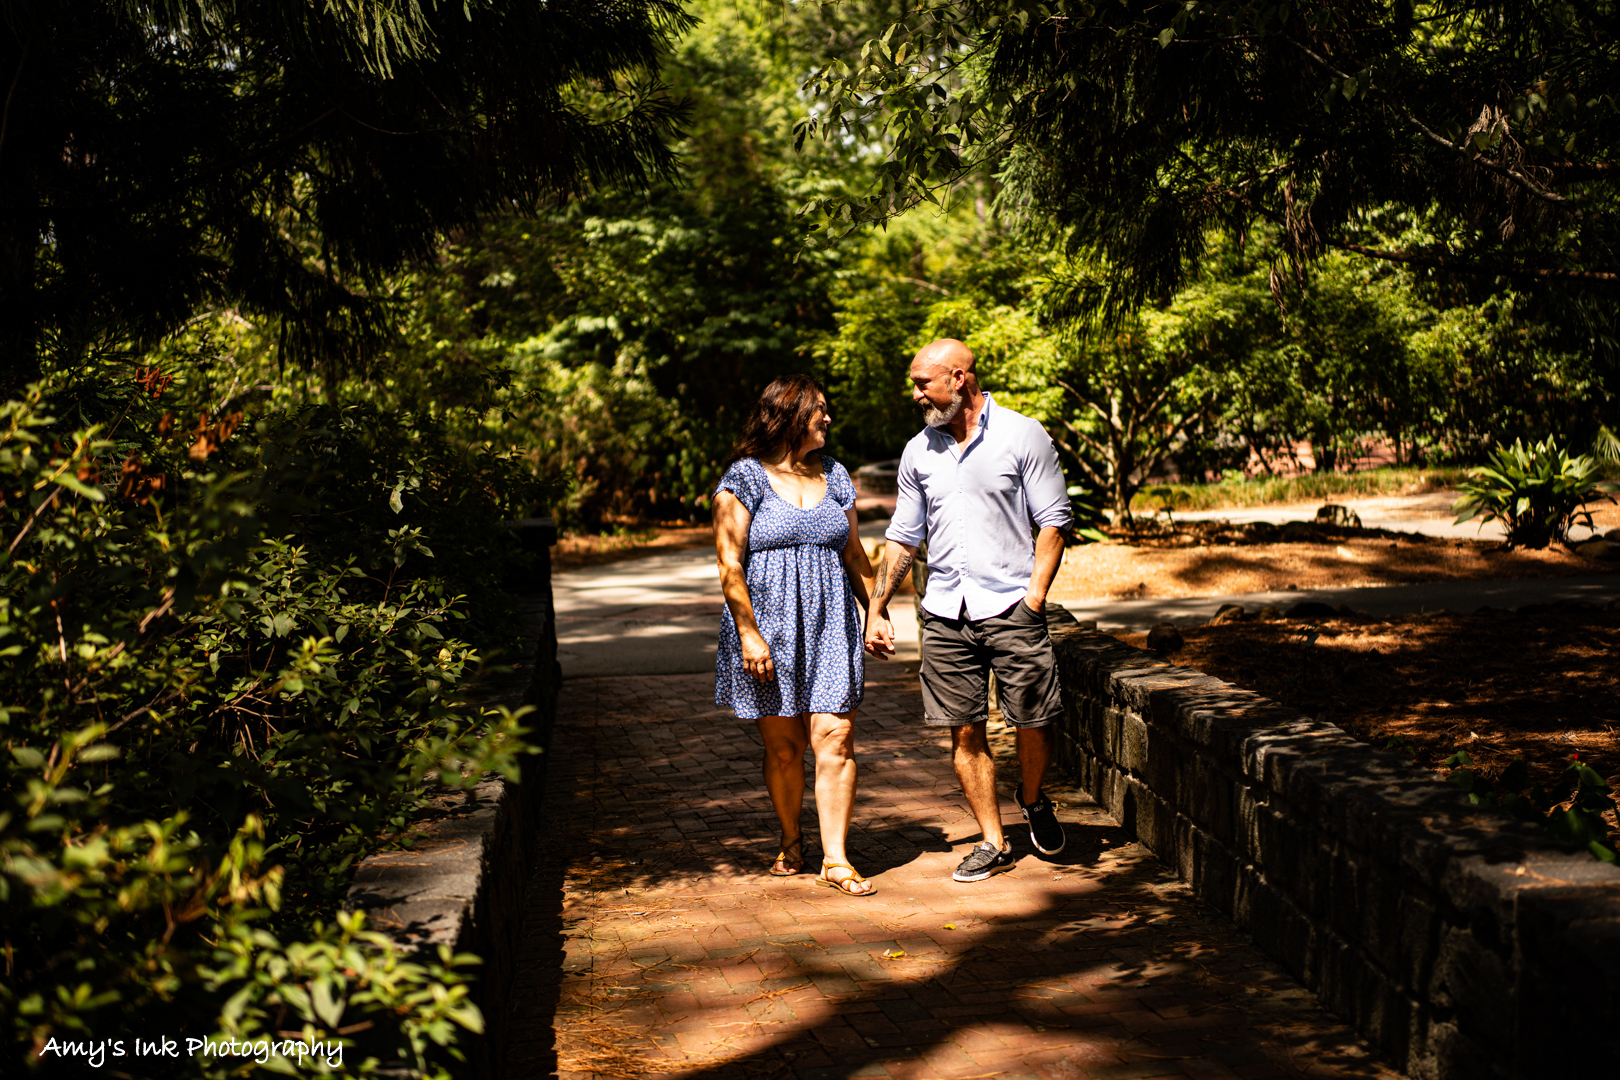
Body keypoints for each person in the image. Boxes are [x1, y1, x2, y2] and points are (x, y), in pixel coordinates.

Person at [866, 338, 1071, 882]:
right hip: (944, 612)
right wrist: (877, 608)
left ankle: (1032, 797)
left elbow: (1054, 521)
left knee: (1035, 719)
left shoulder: (1022, 434)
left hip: (1011, 605)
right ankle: (992, 841)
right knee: (963, 731)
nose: (915, 395)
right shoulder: (918, 451)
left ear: (958, 378)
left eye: (922, 383)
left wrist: (1033, 600)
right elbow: (903, 537)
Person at [713, 375, 879, 896]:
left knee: (836, 739)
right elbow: (729, 563)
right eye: (818, 409)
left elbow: (854, 552)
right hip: (769, 629)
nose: (828, 418)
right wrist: (749, 634)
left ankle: (836, 859)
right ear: (788, 414)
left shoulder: (836, 474)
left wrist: (876, 612)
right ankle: (790, 837)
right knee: (785, 749)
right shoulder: (744, 478)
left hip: (832, 625)